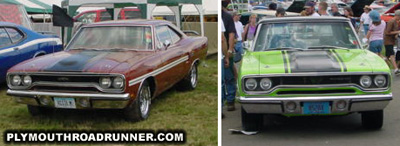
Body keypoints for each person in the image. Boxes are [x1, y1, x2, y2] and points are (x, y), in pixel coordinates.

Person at [222, 0, 237, 111]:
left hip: (224, 51)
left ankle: (224, 103)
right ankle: (230, 101)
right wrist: (230, 51)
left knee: (225, 79)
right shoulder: (227, 17)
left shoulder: (226, 17)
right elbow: (230, 36)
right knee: (230, 78)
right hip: (226, 51)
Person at [384, 10, 400, 75]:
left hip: (392, 41)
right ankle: (396, 69)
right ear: (397, 15)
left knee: (387, 56)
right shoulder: (391, 21)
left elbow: (394, 31)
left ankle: (384, 67)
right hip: (388, 41)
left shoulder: (396, 22)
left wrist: (396, 34)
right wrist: (398, 32)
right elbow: (387, 32)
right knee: (392, 54)